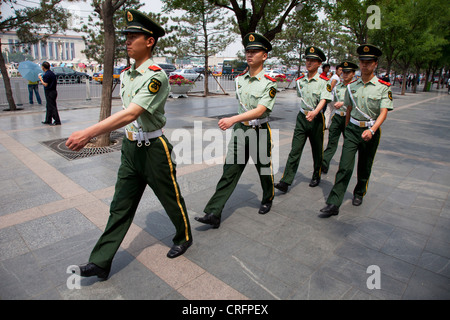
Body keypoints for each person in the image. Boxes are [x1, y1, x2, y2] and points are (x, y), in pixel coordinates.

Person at [65, 9, 192, 281]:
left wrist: (88, 132)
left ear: (150, 41)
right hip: (131, 148)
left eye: (133, 36)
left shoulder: (156, 76)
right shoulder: (127, 74)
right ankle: (100, 261)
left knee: (170, 198)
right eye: (126, 36)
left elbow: (132, 113)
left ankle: (184, 235)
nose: (127, 41)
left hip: (154, 150)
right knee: (120, 205)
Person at [195, 33, 277, 229]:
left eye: (254, 51)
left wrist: (233, 119)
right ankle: (214, 212)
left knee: (263, 168)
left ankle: (268, 197)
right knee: (230, 170)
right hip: (241, 130)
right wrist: (237, 122)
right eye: (247, 51)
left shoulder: (269, 82)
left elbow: (260, 110)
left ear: (264, 56)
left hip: (259, 130)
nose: (249, 55)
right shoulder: (240, 80)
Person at [319, 44, 393, 218]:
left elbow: (383, 112)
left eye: (369, 62)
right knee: (344, 166)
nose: (364, 65)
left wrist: (373, 130)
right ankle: (334, 202)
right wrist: (347, 128)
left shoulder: (383, 87)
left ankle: (359, 192)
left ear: (375, 64)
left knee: (364, 166)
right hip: (352, 129)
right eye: (362, 61)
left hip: (370, 131)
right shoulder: (352, 87)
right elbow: (349, 109)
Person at [274, 46, 332, 193]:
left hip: (317, 118)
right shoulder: (300, 81)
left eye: (313, 61)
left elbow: (324, 100)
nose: (309, 63)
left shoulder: (324, 82)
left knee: (317, 149)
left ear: (319, 64)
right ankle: (286, 181)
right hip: (302, 118)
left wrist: (315, 112)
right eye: (307, 60)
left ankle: (316, 174)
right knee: (295, 149)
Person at [321, 61, 358, 174]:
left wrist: (343, 103)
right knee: (332, 142)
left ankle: (344, 167)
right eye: (343, 72)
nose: (345, 74)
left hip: (350, 118)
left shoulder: (356, 87)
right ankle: (324, 163)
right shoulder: (338, 87)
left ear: (353, 73)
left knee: (348, 145)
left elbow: (357, 103)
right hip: (337, 117)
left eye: (348, 72)